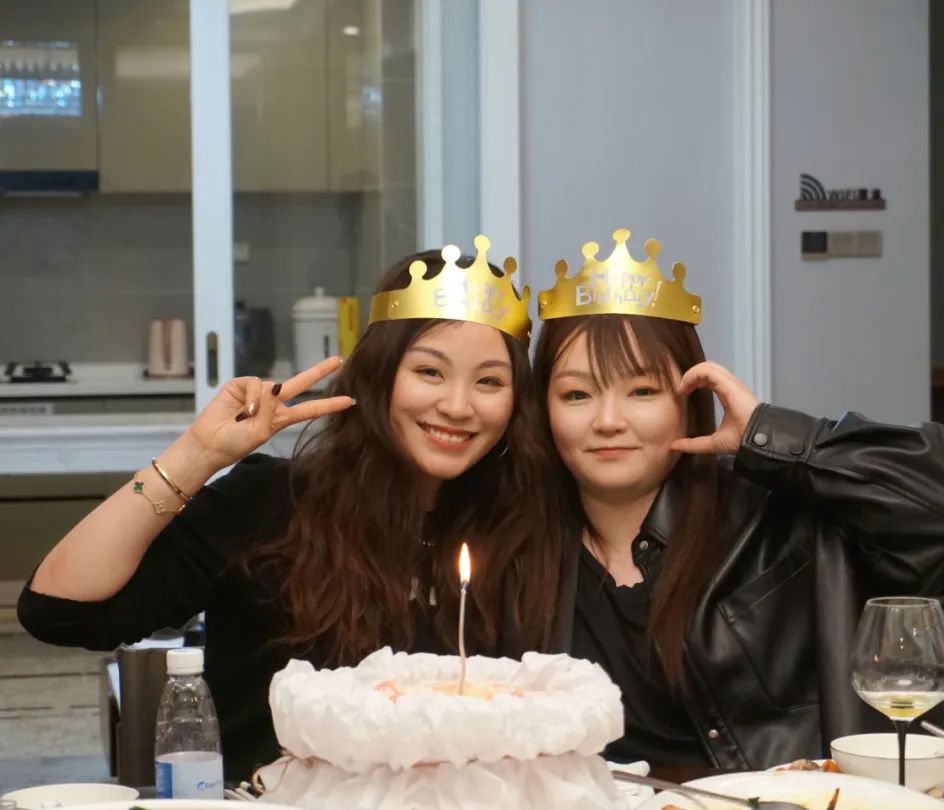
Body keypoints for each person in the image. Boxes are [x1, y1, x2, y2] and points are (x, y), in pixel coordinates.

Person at [18, 238, 563, 781]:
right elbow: (58, 611)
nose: (458, 406)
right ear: (379, 375)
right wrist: (198, 455)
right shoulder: (270, 505)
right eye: (429, 372)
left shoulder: (526, 527)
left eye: (489, 381)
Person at [533, 228, 944, 770]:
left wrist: (770, 434)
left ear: (691, 399)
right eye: (577, 394)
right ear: (542, 409)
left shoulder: (778, 510)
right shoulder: (524, 550)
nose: (608, 420)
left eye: (643, 391)